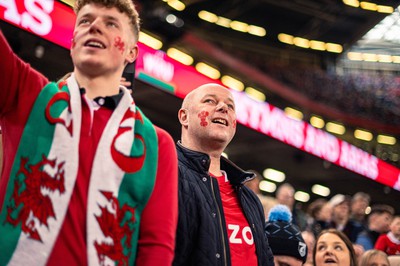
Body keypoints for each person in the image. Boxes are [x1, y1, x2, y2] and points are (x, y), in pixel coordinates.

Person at [0, 0, 178, 265]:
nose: (94, 26)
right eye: (85, 21)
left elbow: (156, 246)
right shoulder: (27, 92)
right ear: (73, 41)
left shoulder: (157, 143)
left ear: (131, 51)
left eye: (110, 23)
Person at [173, 83, 274, 265]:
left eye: (230, 106)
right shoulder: (165, 173)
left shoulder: (250, 199)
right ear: (184, 117)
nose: (223, 108)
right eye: (210, 101)